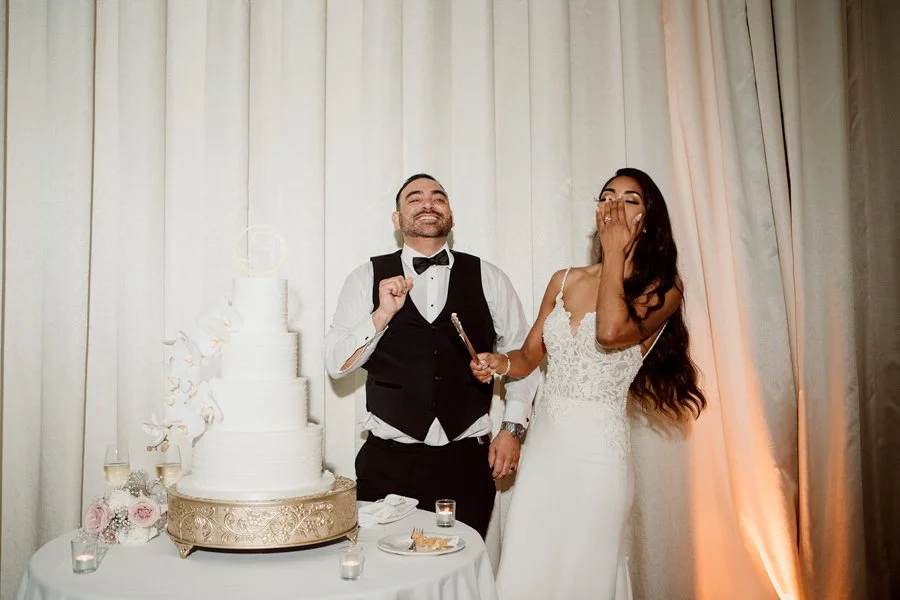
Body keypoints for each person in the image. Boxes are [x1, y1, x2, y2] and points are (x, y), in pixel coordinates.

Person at [470, 167, 707, 598]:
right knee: (529, 562)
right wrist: (497, 363)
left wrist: (614, 253)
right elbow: (527, 358)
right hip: (545, 451)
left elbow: (610, 332)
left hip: (599, 458)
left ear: (648, 217)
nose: (614, 205)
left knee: (585, 571)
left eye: (629, 199)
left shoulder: (663, 289)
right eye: (607, 196)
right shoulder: (564, 280)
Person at [324, 173, 540, 538]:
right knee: (384, 579)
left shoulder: (489, 276)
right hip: (388, 461)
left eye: (438, 197)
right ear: (397, 220)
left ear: (450, 214)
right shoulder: (365, 278)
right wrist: (381, 315)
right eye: (414, 198)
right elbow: (335, 365)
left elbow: (523, 358)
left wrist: (512, 430)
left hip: (468, 460)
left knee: (457, 579)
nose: (428, 203)